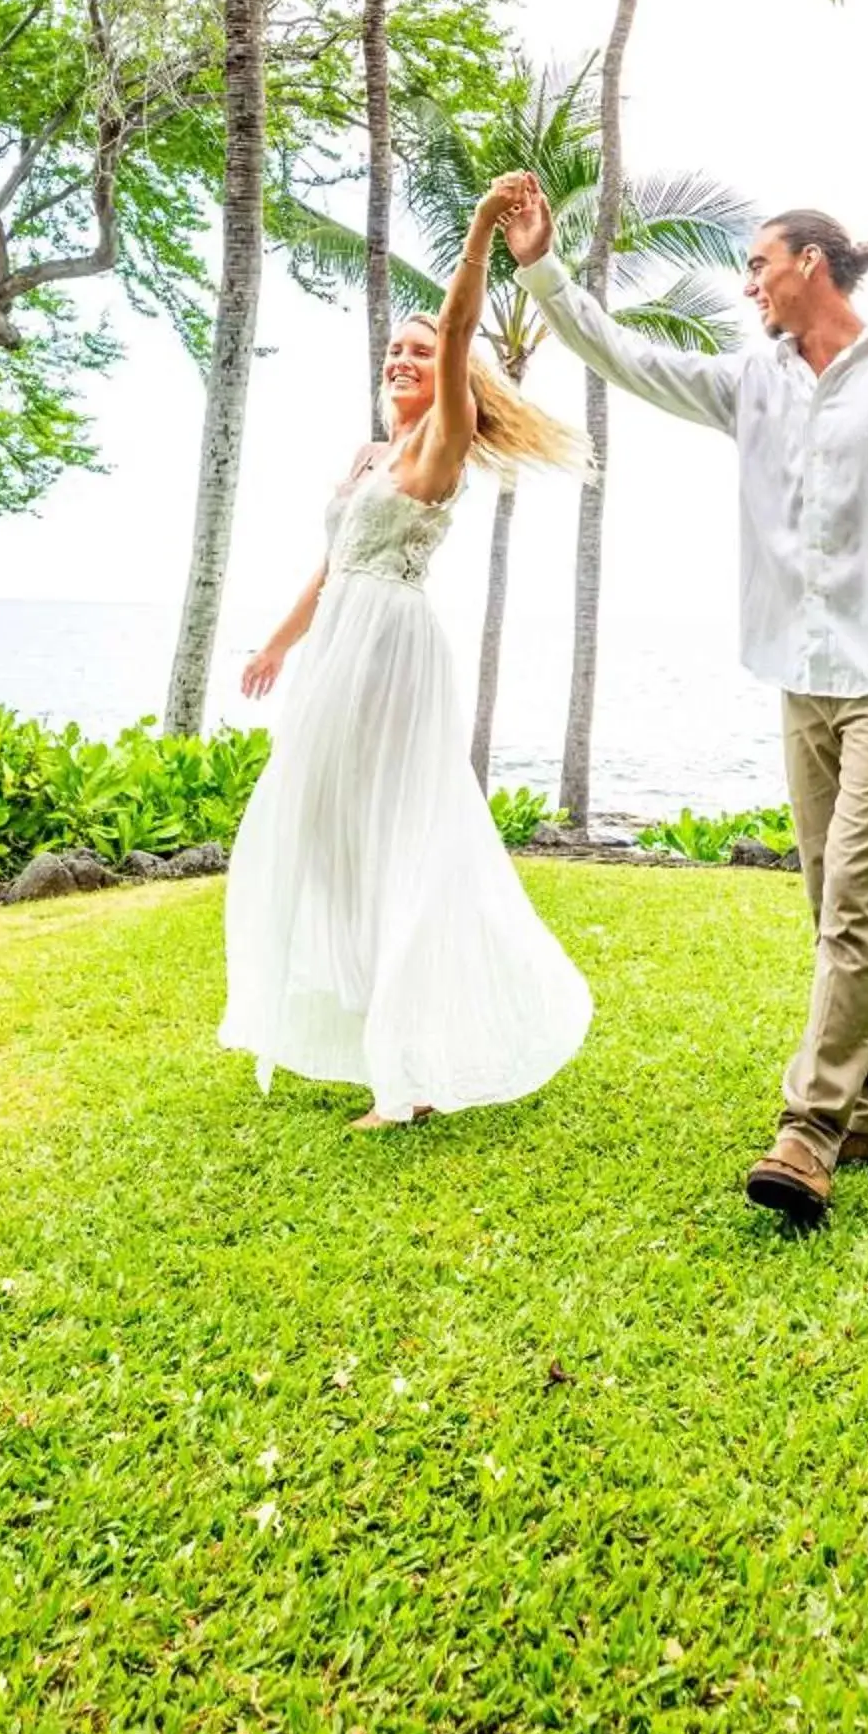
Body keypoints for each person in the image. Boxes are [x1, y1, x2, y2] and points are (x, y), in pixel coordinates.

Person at [496, 179, 868, 1227]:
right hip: (801, 678)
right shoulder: (752, 385)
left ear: (809, 263)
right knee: (831, 912)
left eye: (759, 267)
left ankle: (807, 1131)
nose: (748, 289)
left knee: (854, 910)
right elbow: (627, 358)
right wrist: (543, 269)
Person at [219, 180, 593, 1131]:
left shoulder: (444, 444)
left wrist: (476, 236)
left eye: (421, 352)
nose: (404, 358)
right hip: (337, 641)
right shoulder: (368, 457)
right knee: (325, 829)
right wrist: (274, 642)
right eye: (396, 349)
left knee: (398, 837)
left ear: (449, 372)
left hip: (390, 647)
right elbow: (330, 567)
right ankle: (377, 1024)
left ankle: (412, 1072)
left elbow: (464, 328)